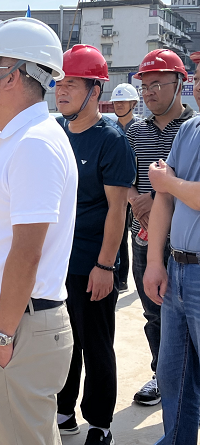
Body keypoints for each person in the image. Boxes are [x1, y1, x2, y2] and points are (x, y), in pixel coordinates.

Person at [0, 17, 77, 445]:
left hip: (19, 326)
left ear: (10, 75)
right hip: (20, 323)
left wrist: (2, 332)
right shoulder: (20, 138)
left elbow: (27, 252)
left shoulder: (33, 144)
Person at [54, 45, 135, 445]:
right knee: (62, 340)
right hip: (58, 261)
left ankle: (100, 423)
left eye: (72, 83)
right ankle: (64, 410)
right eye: (59, 83)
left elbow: (117, 210)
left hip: (93, 262)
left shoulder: (111, 141)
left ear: (95, 91)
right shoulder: (56, 131)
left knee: (96, 344)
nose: (61, 90)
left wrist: (105, 266)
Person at [126, 49, 195, 407]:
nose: (149, 92)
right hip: (144, 236)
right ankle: (160, 374)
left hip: (185, 240)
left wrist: (157, 199)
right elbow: (124, 178)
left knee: (188, 316)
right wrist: (136, 201)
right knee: (153, 311)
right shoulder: (136, 131)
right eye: (145, 86)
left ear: (180, 83)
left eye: (157, 84)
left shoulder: (191, 129)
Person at [144, 69, 200, 445]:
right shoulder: (189, 129)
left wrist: (168, 182)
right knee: (172, 375)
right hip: (178, 268)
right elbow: (162, 199)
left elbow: (166, 186)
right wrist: (155, 262)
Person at [111, 83, 141, 292]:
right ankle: (120, 277)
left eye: (123, 101)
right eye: (116, 102)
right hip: (114, 187)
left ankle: (127, 277)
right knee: (118, 232)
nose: (119, 105)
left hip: (135, 189)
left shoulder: (140, 128)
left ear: (133, 104)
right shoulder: (110, 128)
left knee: (133, 234)